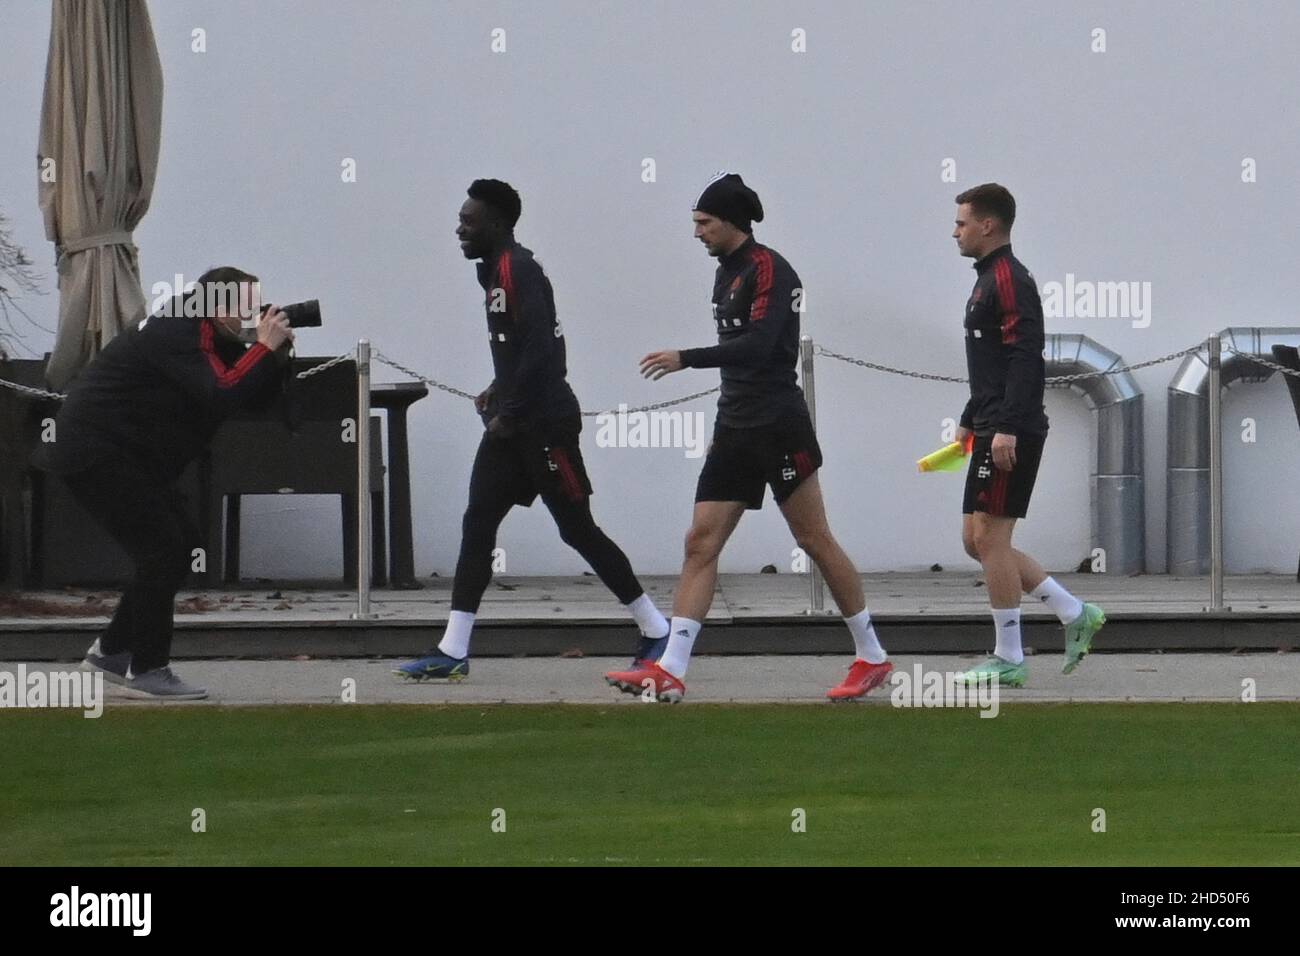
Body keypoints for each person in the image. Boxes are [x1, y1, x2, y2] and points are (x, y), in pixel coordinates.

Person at [604, 172, 891, 703]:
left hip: (778, 425)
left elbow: (758, 348)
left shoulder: (771, 270)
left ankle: (871, 655)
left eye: (704, 222)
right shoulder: (725, 272)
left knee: (814, 540)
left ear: (732, 221)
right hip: (734, 425)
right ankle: (670, 667)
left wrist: (685, 358)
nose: (696, 233)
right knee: (700, 542)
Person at [395, 179, 669, 681]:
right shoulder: (493, 274)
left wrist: (511, 410)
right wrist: (496, 389)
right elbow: (521, 350)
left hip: (545, 427)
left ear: (497, 224)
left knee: (577, 529)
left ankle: (656, 628)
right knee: (478, 521)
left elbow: (546, 352)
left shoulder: (518, 268)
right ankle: (453, 649)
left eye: (469, 221)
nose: (459, 229)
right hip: (513, 424)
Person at [39, 267, 292, 699]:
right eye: (244, 306)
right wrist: (263, 349)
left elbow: (250, 399)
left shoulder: (208, 334)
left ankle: (112, 652)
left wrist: (276, 355)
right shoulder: (178, 329)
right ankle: (149, 667)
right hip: (96, 451)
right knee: (162, 550)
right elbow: (223, 393)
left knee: (182, 543)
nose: (253, 314)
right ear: (216, 305)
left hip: (124, 455)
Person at [949, 183, 1105, 687]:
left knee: (992, 539)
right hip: (993, 424)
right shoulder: (986, 280)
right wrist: (973, 415)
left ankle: (1009, 657)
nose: (955, 231)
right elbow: (991, 364)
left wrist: (1007, 426)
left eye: (961, 222)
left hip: (1010, 430)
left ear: (987, 225)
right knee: (976, 540)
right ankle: (1073, 611)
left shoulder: (1010, 279)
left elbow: (1024, 356)